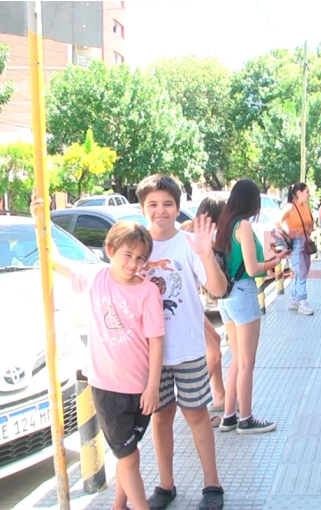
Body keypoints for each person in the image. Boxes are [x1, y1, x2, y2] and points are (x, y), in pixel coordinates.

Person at [39, 211, 164, 510]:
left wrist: (152, 387)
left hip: (140, 390)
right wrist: (40, 220)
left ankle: (118, 506)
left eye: (140, 258)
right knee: (129, 457)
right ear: (110, 250)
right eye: (127, 255)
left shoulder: (148, 292)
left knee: (129, 454)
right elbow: (54, 261)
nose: (134, 264)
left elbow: (157, 341)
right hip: (108, 389)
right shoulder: (95, 279)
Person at [136, 175, 228, 510]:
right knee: (160, 418)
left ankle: (212, 484)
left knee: (197, 414)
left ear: (177, 207)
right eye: (153, 204)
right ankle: (165, 485)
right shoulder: (137, 245)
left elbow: (218, 290)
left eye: (168, 204)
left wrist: (206, 255)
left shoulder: (188, 244)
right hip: (151, 356)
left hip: (188, 350)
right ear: (143, 208)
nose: (161, 211)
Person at [214, 179, 290, 435]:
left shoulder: (225, 225)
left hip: (225, 296)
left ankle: (229, 415)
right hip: (244, 294)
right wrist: (275, 261)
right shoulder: (243, 225)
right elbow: (253, 267)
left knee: (236, 359)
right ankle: (245, 417)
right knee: (247, 362)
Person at [180, 196, 227, 420]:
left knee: (216, 342)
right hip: (185, 308)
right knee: (213, 352)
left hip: (194, 305)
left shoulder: (188, 228)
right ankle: (193, 403)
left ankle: (220, 396)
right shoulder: (207, 235)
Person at [277, 182, 315, 316]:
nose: (309, 194)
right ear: (299, 193)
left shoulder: (305, 207)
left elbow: (311, 221)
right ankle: (302, 300)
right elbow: (278, 221)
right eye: (307, 192)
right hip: (296, 241)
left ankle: (295, 298)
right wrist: (288, 232)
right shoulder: (290, 207)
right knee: (301, 270)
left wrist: (309, 231)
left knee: (302, 269)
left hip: (305, 240)